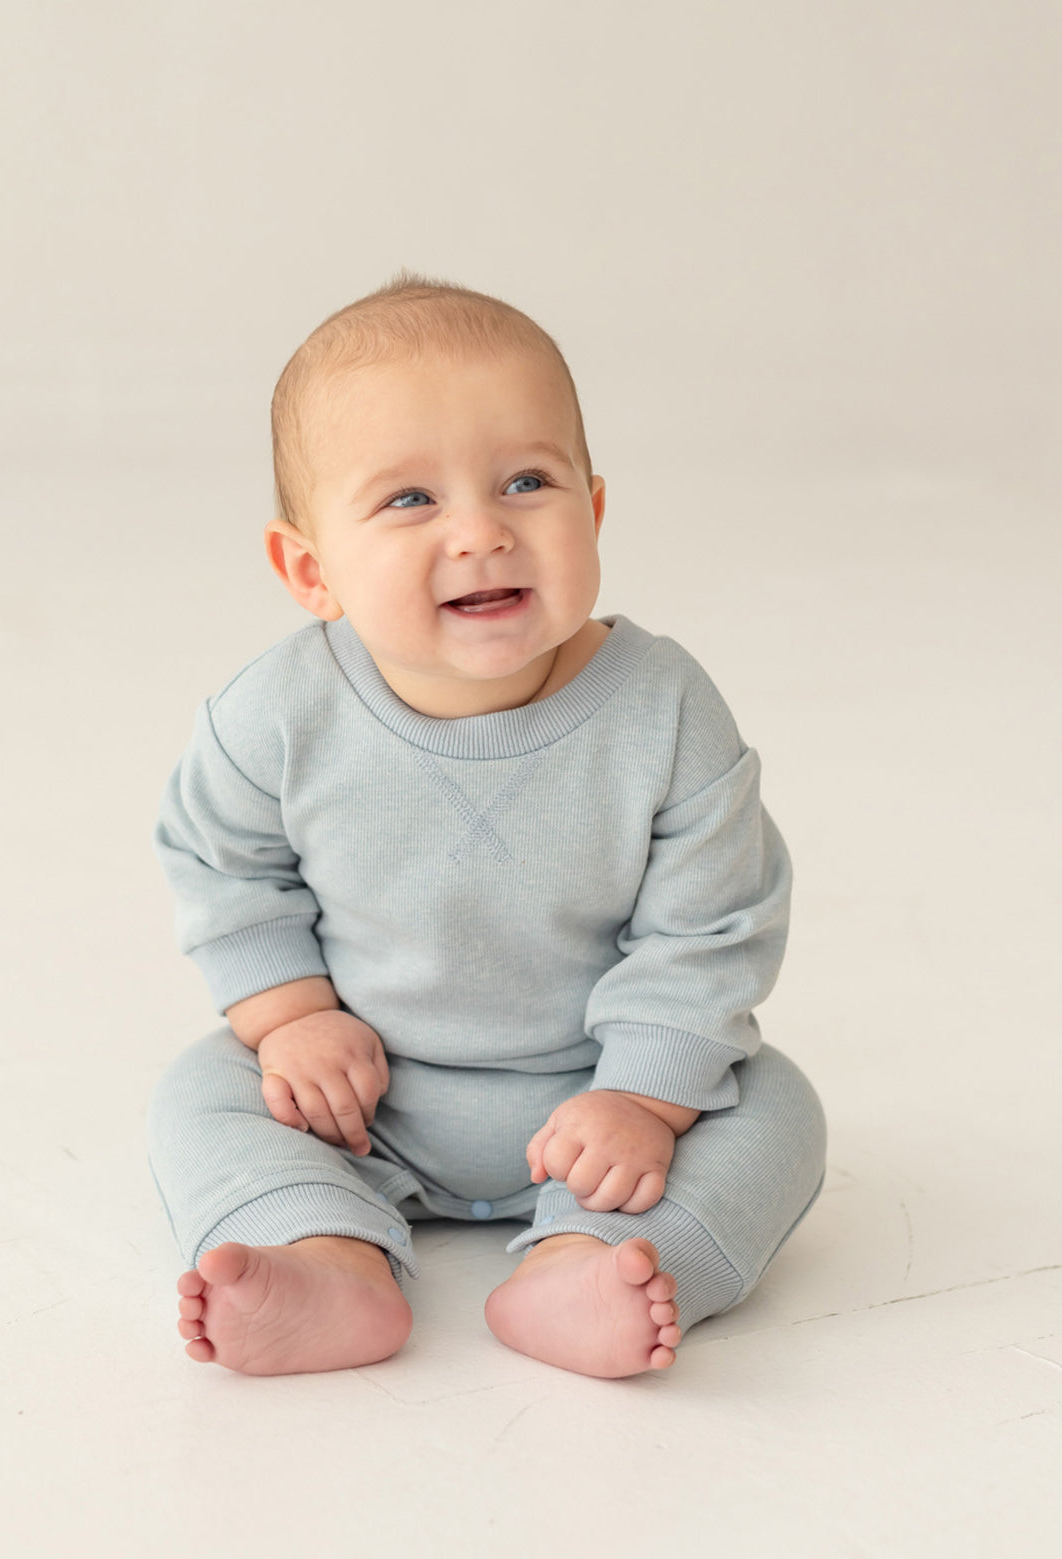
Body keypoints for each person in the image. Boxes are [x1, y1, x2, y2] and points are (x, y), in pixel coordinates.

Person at [147, 269, 826, 1380]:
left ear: (594, 511)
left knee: (778, 1109)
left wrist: (644, 1095)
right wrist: (291, 1019)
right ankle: (322, 1255)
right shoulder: (276, 714)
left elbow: (715, 922)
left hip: (602, 1093)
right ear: (310, 568)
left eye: (526, 481)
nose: (481, 532)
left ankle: (590, 1261)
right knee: (201, 1087)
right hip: (364, 1091)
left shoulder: (663, 708)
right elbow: (224, 866)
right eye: (411, 500)